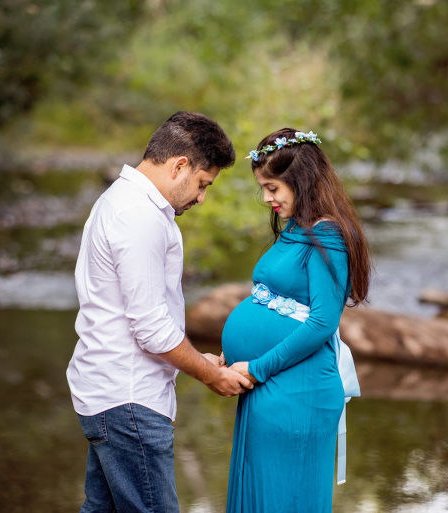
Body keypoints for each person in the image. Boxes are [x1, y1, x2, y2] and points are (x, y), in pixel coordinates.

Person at [66, 111, 254, 513]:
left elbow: (142, 316)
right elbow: (151, 329)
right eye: (203, 184)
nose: (202, 198)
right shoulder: (140, 216)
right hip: (128, 402)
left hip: (110, 395)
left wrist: (195, 357)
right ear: (180, 165)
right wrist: (211, 375)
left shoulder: (122, 201)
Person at [220, 128, 371, 512]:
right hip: (272, 386)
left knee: (284, 500)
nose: (267, 198)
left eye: (273, 188)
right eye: (263, 188)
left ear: (300, 180)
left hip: (295, 391)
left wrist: (257, 367)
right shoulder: (295, 228)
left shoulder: (329, 235)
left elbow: (322, 322)